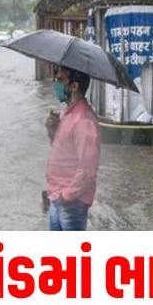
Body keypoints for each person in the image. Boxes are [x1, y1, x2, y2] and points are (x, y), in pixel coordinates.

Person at [44, 66, 101, 231]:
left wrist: (67, 195)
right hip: (58, 196)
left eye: (60, 80)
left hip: (71, 201)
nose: (56, 84)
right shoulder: (68, 114)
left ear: (74, 86)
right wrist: (52, 131)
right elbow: (63, 152)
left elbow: (87, 170)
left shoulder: (84, 122)